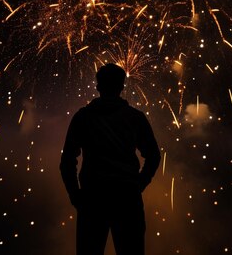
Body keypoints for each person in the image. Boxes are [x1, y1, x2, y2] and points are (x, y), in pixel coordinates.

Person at [60, 63, 161, 255]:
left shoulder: (83, 117)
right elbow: (154, 155)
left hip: (93, 197)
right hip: (126, 197)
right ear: (122, 86)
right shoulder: (135, 118)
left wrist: (76, 195)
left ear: (98, 86)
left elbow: (67, 162)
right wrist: (139, 183)